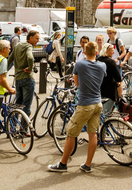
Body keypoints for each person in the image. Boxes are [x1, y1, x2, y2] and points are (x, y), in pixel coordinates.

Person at [49, 41, 106, 173]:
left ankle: (63, 164)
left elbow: (77, 83)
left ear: (84, 52)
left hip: (85, 104)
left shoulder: (80, 64)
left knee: (71, 133)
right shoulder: (102, 65)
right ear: (97, 52)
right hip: (98, 103)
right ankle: (87, 164)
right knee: (92, 134)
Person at [7, 29, 39, 117]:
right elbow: (30, 57)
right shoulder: (28, 46)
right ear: (30, 38)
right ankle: (24, 129)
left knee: (18, 104)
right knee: (26, 106)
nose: (38, 40)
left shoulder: (18, 45)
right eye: (36, 38)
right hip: (27, 78)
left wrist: (4, 72)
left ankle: (14, 125)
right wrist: (30, 68)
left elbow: (10, 59)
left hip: (18, 78)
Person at [97, 44, 122, 115]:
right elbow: (118, 78)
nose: (113, 52)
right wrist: (118, 83)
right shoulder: (111, 62)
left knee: (98, 114)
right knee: (106, 114)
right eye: (111, 50)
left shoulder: (97, 60)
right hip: (109, 91)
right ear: (106, 50)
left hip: (98, 91)